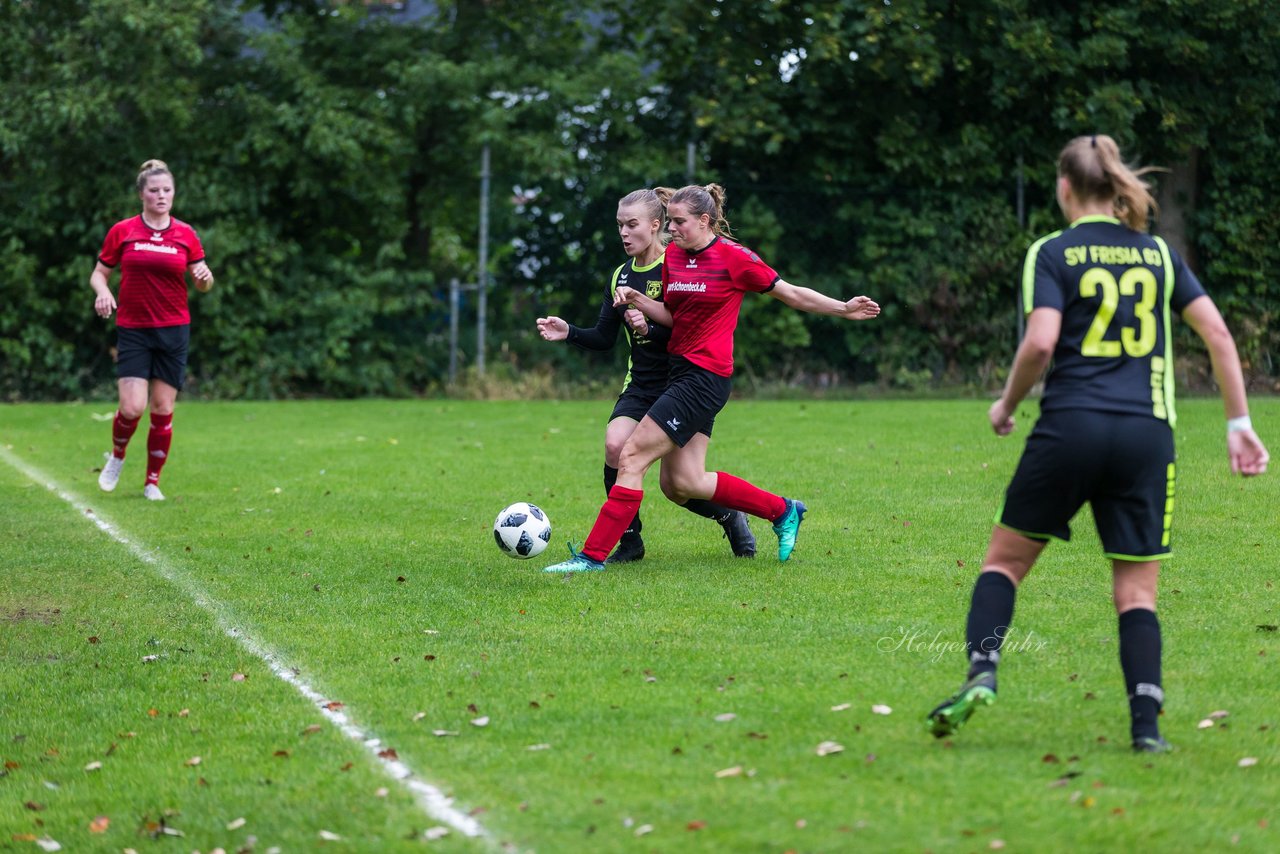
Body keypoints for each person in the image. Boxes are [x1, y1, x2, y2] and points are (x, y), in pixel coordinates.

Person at [926, 134, 1269, 752]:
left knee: (1004, 563)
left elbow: (1038, 343)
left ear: (1064, 188)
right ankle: (1146, 731)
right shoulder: (1160, 254)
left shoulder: (1052, 252)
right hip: (1146, 434)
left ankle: (982, 672)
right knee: (1136, 593)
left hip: (1070, 429)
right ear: (1114, 187)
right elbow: (1217, 332)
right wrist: (1238, 424)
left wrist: (1006, 405)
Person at [543, 183, 881, 573]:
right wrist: (638, 303)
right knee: (682, 483)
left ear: (705, 221)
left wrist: (843, 308)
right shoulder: (675, 260)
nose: (672, 230)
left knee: (631, 454)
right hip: (680, 374)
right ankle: (784, 510)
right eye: (669, 222)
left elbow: (791, 294)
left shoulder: (734, 258)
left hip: (703, 378)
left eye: (679, 222)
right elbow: (674, 318)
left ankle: (591, 558)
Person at [536, 188, 757, 563]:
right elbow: (605, 338)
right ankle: (630, 542)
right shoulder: (621, 275)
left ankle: (730, 515)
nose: (624, 233)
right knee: (614, 445)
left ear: (656, 226)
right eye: (620, 225)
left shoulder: (680, 263)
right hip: (641, 384)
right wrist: (569, 331)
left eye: (632, 225)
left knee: (680, 486)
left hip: (683, 381)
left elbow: (688, 329)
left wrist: (650, 327)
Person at [90, 159, 215, 501]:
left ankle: (151, 482)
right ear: (142, 194)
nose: (162, 196)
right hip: (134, 329)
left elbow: (203, 281)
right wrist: (103, 292)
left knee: (162, 409)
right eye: (154, 190)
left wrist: (205, 280)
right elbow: (100, 273)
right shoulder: (124, 230)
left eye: (167, 190)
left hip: (174, 330)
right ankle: (117, 455)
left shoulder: (186, 233)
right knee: (132, 408)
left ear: (174, 193)